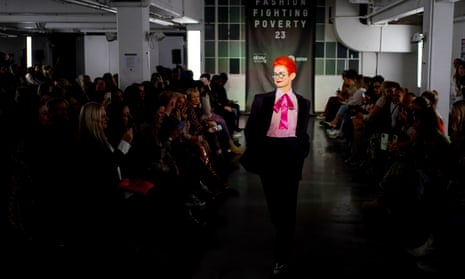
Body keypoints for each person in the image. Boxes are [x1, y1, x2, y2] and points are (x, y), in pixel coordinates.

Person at [240, 56, 311, 277]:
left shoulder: (303, 102)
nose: (278, 77)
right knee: (275, 205)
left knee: (288, 206)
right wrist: (259, 152)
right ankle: (283, 233)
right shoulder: (261, 100)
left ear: (292, 75)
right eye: (275, 73)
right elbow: (250, 130)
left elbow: (303, 131)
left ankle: (282, 254)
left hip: (291, 155)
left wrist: (301, 150)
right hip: (269, 155)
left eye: (282, 73)